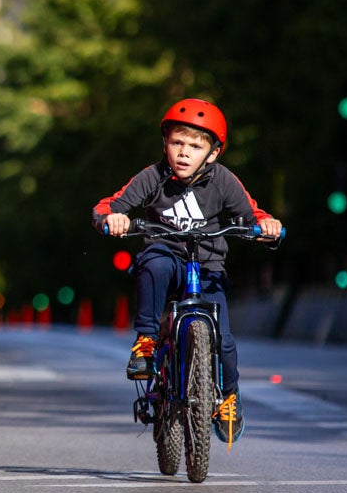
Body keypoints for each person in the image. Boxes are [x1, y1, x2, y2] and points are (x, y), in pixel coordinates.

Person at [92, 98, 283, 444]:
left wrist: (267, 225)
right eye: (177, 142)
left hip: (207, 266)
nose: (183, 152)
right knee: (153, 262)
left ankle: (228, 396)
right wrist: (112, 218)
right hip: (165, 254)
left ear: (212, 154)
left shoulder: (223, 181)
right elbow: (107, 206)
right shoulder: (153, 177)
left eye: (195, 146)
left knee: (224, 341)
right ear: (165, 143)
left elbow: (254, 213)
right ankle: (146, 341)